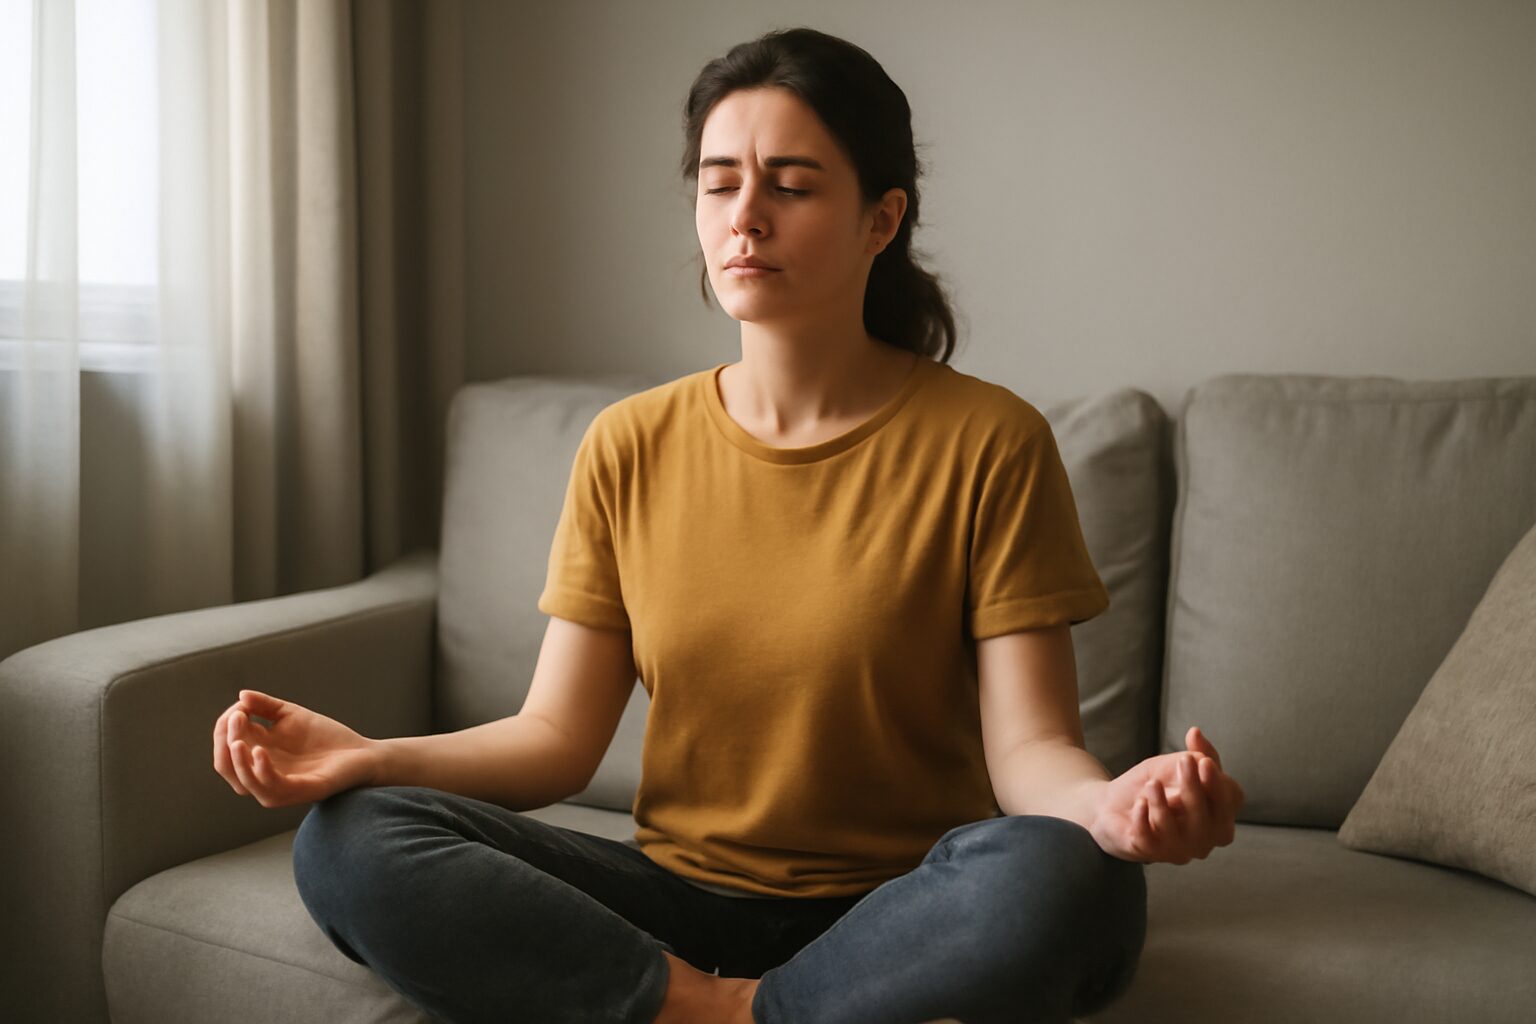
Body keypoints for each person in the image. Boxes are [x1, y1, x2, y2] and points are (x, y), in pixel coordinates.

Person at [212, 26, 1243, 1024]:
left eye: (791, 185)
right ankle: (722, 1009)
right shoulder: (629, 443)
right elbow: (554, 742)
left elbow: (1031, 753)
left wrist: (1111, 807)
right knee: (349, 838)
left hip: (907, 907)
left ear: (881, 221)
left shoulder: (990, 441)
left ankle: (727, 1008)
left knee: (1076, 879)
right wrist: (368, 756)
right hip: (680, 898)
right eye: (718, 182)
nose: (745, 216)